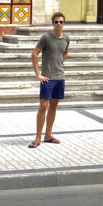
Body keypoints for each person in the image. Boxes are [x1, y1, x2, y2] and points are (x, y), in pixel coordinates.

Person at [29, 11, 70, 148]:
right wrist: (38, 74)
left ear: (64, 23)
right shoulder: (46, 37)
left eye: (61, 22)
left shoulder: (66, 38)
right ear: (52, 23)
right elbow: (34, 54)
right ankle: (38, 137)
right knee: (43, 106)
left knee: (54, 106)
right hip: (47, 77)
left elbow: (65, 53)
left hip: (60, 77)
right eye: (56, 22)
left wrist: (59, 65)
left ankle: (48, 135)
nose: (58, 24)